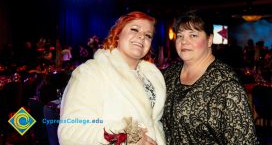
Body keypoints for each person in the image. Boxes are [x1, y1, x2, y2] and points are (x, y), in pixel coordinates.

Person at [58, 11, 166, 145]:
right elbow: (71, 132)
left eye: (148, 35)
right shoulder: (92, 72)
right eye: (134, 29)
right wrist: (125, 138)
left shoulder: (153, 78)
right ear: (118, 34)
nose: (141, 37)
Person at [162, 12, 258, 144]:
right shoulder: (169, 74)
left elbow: (244, 141)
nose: (184, 41)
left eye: (193, 35)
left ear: (209, 40)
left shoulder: (226, 84)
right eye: (180, 36)